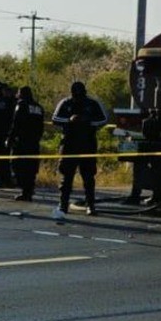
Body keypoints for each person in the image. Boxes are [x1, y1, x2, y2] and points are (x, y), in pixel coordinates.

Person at [51, 81, 108, 218]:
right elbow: (55, 119)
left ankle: (90, 205)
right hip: (69, 144)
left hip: (87, 143)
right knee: (66, 177)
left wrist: (87, 121)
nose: (78, 96)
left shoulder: (92, 104)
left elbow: (103, 120)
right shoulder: (65, 103)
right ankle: (63, 204)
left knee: (88, 177)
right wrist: (69, 120)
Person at [7, 85, 45, 202]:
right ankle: (28, 190)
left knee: (17, 165)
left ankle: (25, 190)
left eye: (18, 93)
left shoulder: (21, 105)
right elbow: (41, 126)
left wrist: (10, 139)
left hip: (22, 141)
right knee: (31, 167)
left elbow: (16, 123)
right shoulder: (38, 107)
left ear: (22, 94)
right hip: (34, 142)